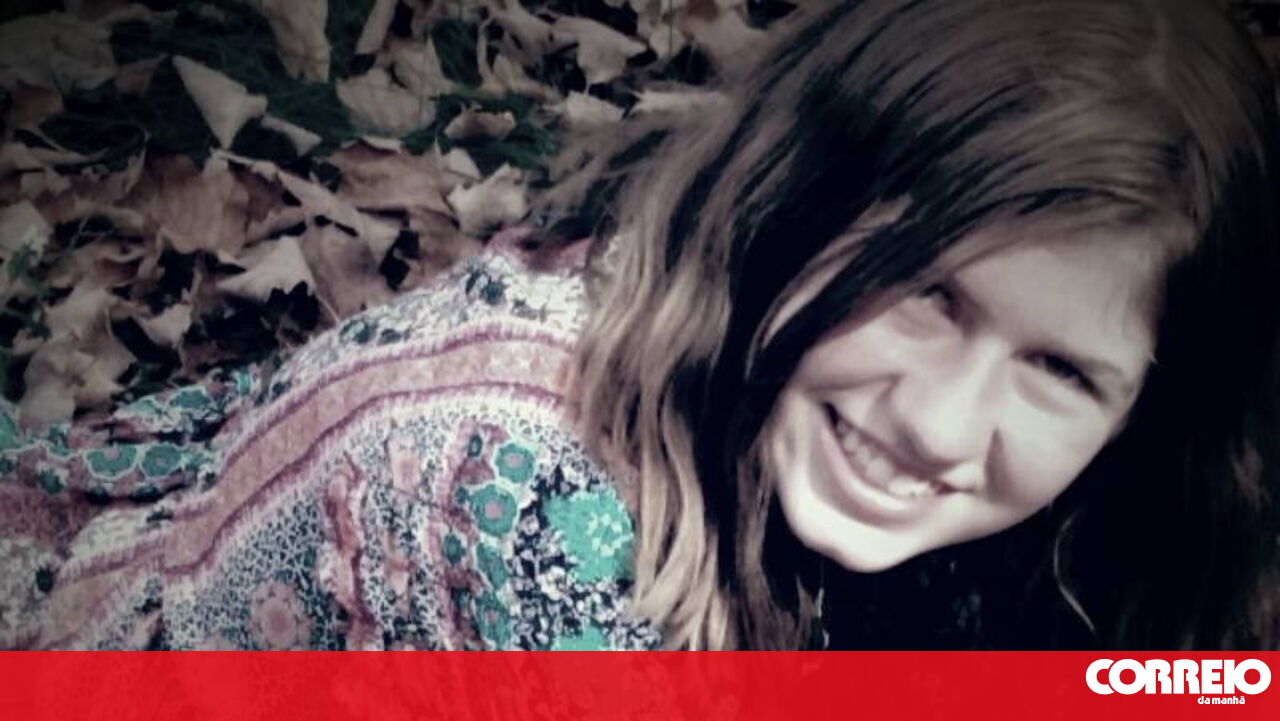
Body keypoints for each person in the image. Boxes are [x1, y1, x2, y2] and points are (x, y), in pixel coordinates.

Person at [3, 0, 1278, 650]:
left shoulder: (1077, 522)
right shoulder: (533, 515)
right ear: (798, 198)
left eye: (1060, 370)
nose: (942, 427)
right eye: (925, 291)